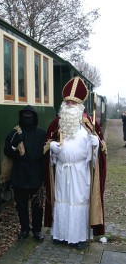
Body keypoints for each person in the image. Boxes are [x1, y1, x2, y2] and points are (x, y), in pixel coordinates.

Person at [44, 76, 107, 250]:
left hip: (80, 171)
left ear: (80, 105)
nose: (70, 105)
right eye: (68, 102)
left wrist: (95, 146)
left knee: (79, 202)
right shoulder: (57, 123)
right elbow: (47, 147)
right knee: (62, 201)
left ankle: (79, 237)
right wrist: (53, 149)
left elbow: (101, 154)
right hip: (63, 171)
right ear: (64, 103)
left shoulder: (90, 125)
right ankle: (60, 234)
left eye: (73, 102)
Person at [4, 105, 46, 242]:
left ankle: (37, 230)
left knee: (37, 206)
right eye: (25, 115)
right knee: (21, 205)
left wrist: (45, 176)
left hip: (36, 174)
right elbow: (7, 152)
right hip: (20, 174)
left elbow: (46, 156)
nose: (27, 118)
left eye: (30, 115)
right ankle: (24, 229)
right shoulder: (15, 134)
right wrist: (15, 147)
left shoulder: (41, 134)